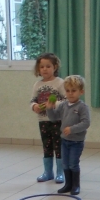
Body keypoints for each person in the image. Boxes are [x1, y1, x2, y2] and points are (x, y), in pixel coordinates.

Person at [46, 75, 89, 196]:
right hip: (64, 141)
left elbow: (86, 123)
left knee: (73, 164)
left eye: (74, 90)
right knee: (65, 163)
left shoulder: (82, 107)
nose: (70, 93)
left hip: (76, 142)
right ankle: (68, 185)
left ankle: (76, 185)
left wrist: (72, 129)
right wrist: (49, 109)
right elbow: (54, 118)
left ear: (81, 92)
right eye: (68, 90)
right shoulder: (63, 105)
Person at [30, 53, 66, 183]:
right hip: (43, 121)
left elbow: (66, 101)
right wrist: (35, 106)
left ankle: (61, 172)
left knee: (59, 146)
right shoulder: (37, 85)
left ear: (55, 67)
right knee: (47, 146)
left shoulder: (60, 83)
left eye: (48, 66)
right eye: (42, 67)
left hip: (57, 120)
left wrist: (54, 104)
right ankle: (48, 172)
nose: (45, 69)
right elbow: (32, 101)